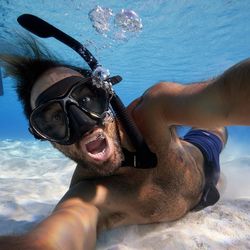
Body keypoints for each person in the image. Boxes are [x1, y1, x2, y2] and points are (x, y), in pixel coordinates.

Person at [1, 31, 250, 249]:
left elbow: (226, 96)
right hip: (208, 190)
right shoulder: (87, 195)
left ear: (106, 95)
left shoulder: (152, 111)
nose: (84, 125)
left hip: (203, 155)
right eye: (55, 120)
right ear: (46, 138)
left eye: (87, 100)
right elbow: (61, 233)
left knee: (216, 127)